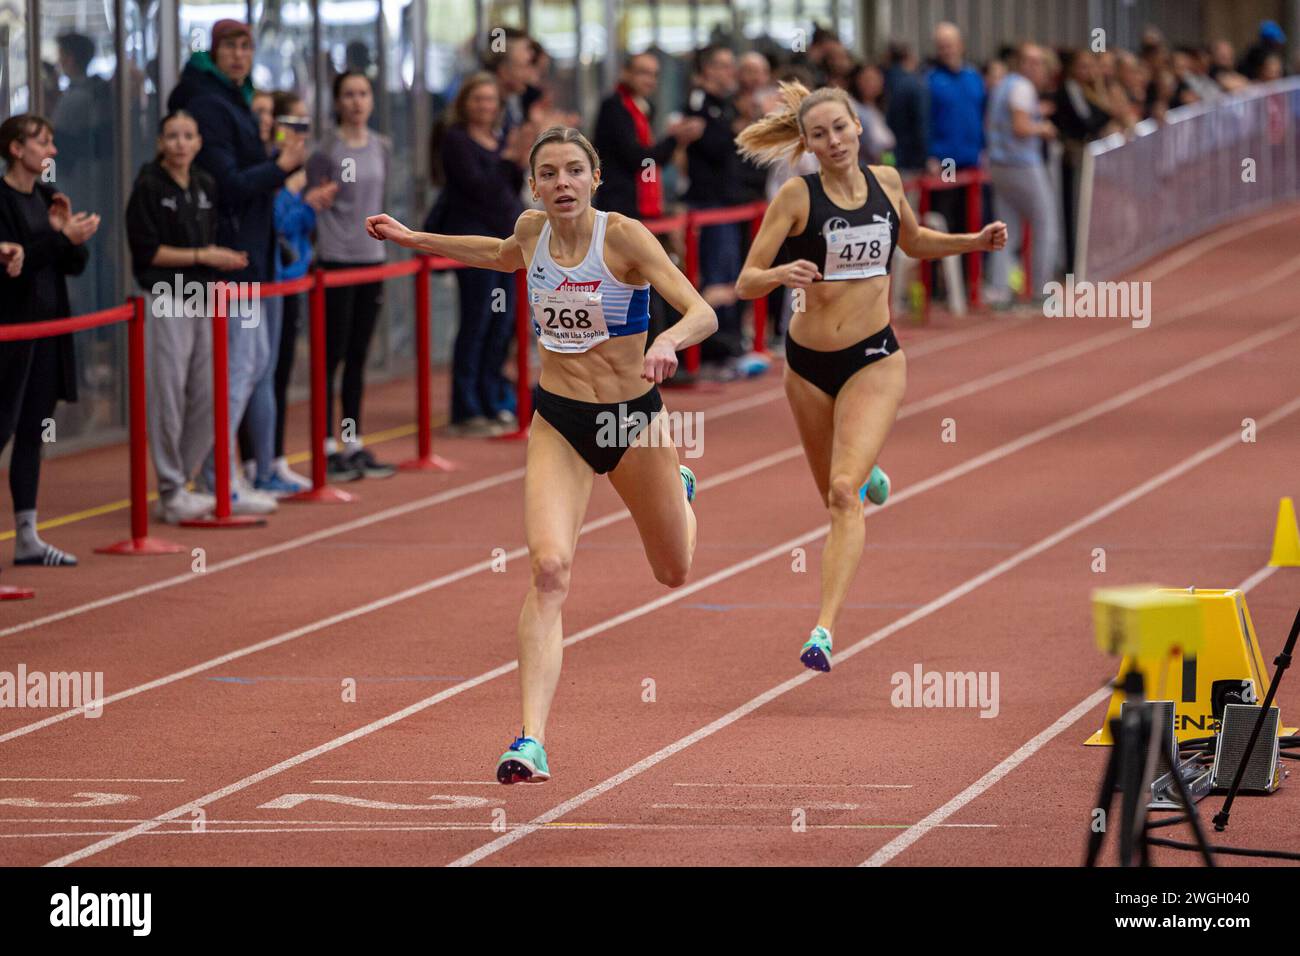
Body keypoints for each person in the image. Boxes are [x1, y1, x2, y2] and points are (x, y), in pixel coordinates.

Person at [366, 126, 717, 784]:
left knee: (674, 570)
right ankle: (530, 739)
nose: (562, 183)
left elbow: (702, 310)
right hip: (559, 419)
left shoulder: (624, 239)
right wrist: (418, 240)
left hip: (632, 422)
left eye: (574, 171)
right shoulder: (532, 234)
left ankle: (681, 488)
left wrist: (669, 340)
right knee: (550, 570)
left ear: (595, 178)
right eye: (549, 172)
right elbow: (499, 253)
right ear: (533, 185)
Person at [735, 83, 1005, 670]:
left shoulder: (887, 183)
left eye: (840, 129)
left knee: (840, 494)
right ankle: (868, 466)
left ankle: (823, 630)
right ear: (806, 144)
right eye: (819, 134)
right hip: (806, 367)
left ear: (859, 128)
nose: (832, 142)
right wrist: (781, 272)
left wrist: (972, 242)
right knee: (837, 486)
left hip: (874, 356)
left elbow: (914, 240)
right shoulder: (795, 197)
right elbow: (745, 280)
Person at [167, 18, 300, 516]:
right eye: (230, 47)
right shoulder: (208, 104)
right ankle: (216, 477)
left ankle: (224, 473)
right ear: (214, 52)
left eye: (246, 46)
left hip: (251, 258)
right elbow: (228, 184)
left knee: (252, 362)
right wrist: (280, 167)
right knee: (237, 367)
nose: (240, 55)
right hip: (232, 262)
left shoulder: (234, 99)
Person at [126, 110, 249, 523]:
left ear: (198, 143)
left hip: (201, 294)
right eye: (172, 136)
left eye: (188, 136)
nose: (180, 143)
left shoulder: (204, 184)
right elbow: (146, 252)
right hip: (164, 295)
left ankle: (185, 476)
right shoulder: (147, 186)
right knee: (168, 391)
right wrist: (201, 256)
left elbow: (209, 240)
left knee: (209, 388)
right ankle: (169, 487)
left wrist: (221, 260)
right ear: (161, 142)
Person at [0, 114, 100, 566]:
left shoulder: (46, 197)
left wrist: (69, 237)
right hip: (11, 334)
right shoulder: (2, 200)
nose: (52, 151)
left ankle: (26, 535)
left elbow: (72, 264)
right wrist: (59, 240)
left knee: (33, 431)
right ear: (16, 149)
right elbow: (13, 269)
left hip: (48, 332)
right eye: (43, 142)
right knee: (1, 429)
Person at [305, 70, 396, 479]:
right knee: (332, 354)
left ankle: (352, 440)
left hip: (371, 258)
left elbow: (379, 198)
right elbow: (309, 201)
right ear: (337, 101)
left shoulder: (382, 146)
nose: (357, 101)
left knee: (359, 354)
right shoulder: (325, 148)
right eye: (348, 95)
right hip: (334, 260)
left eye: (363, 94)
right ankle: (325, 445)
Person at [427, 73, 529, 437]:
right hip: (473, 245)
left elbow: (508, 190)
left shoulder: (501, 138)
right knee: (477, 322)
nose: (485, 106)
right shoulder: (456, 141)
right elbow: (478, 189)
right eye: (478, 99)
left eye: (491, 100)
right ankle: (465, 408)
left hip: (507, 244)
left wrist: (515, 161)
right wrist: (510, 159)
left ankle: (494, 399)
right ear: (465, 104)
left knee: (503, 324)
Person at [267, 91, 335, 488]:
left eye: (304, 125)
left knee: (281, 372)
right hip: (271, 283)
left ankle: (273, 460)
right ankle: (256, 465)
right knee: (265, 374)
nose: (300, 133)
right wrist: (304, 202)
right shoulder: (274, 173)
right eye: (293, 124)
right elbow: (276, 223)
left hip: (296, 276)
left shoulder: (302, 170)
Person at [985, 43, 1059, 307]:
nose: (1038, 68)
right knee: (1046, 224)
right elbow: (1020, 126)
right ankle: (1041, 289)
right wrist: (1043, 128)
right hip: (1022, 164)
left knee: (1007, 229)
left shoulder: (1003, 85)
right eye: (1034, 63)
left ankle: (999, 291)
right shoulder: (1023, 88)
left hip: (998, 164)